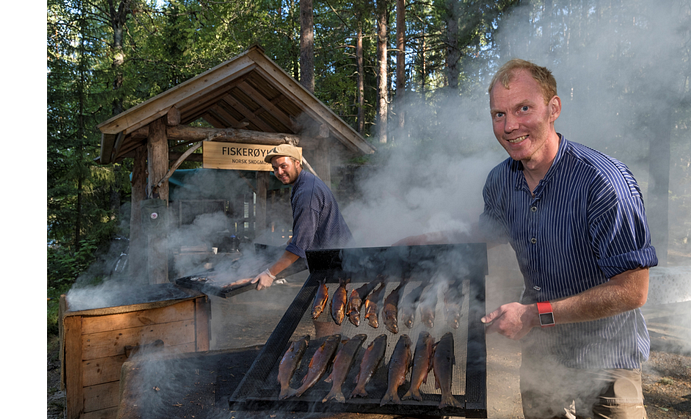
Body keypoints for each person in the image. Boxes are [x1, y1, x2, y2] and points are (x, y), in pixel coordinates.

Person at [394, 59, 657, 419]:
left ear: (553, 110)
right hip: (541, 359)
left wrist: (534, 316)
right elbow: (488, 232)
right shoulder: (501, 181)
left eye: (523, 109)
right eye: (498, 114)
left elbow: (632, 291)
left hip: (605, 361)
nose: (510, 125)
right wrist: (431, 240)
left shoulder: (604, 183)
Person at [232, 143, 354, 290]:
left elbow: (300, 245)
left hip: (335, 265)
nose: (279, 172)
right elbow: (310, 227)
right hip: (329, 257)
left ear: (297, 163)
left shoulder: (307, 193)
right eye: (275, 168)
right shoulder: (305, 182)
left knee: (324, 308)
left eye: (284, 166)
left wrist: (270, 273)